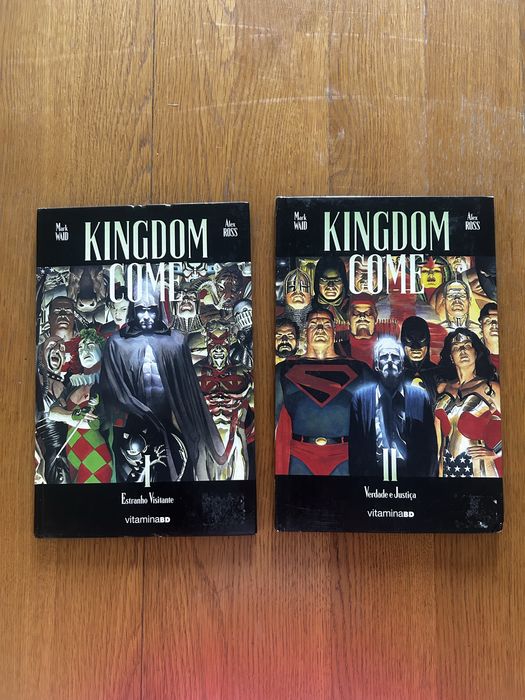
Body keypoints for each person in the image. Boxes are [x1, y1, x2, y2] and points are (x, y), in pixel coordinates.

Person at [100, 284, 227, 481]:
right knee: (134, 473)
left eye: (151, 309)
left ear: (159, 309)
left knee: (178, 469)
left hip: (171, 416)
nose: (146, 315)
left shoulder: (175, 341)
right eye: (141, 309)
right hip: (134, 418)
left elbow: (187, 385)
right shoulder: (117, 343)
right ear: (133, 310)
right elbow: (111, 386)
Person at [275, 309, 370, 476]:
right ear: (305, 331)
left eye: (326, 324)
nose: (320, 329)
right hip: (300, 454)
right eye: (313, 324)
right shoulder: (283, 370)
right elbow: (270, 422)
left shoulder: (360, 370)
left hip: (345, 454)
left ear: (334, 331)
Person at [349, 336, 437, 479]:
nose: (390, 361)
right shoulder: (361, 398)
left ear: (402, 365)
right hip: (373, 477)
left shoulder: (419, 397)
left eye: (395, 357)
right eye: (384, 357)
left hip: (411, 477)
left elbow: (430, 447)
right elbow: (355, 447)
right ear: (376, 365)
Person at [435, 328, 502, 478]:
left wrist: (497, 451)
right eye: (456, 347)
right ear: (451, 357)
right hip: (447, 468)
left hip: (479, 469)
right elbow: (439, 441)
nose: (462, 350)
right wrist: (439, 471)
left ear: (476, 353)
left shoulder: (490, 388)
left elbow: (517, 425)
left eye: (467, 345)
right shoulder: (443, 388)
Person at [479, 302, 499, 371]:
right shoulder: (473, 360)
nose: (494, 324)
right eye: (488, 321)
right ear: (481, 327)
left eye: (499, 320)